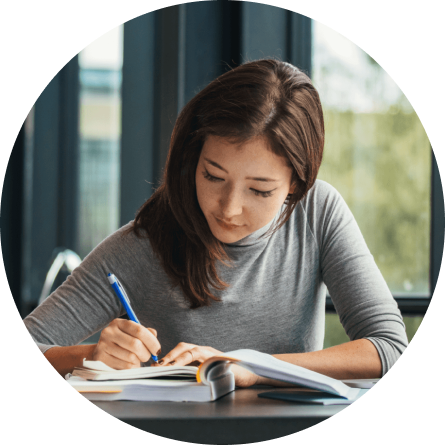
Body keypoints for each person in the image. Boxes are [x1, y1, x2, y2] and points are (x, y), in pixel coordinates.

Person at [24, 58, 409, 387]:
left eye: (259, 191)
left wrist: (252, 367)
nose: (229, 208)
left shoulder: (318, 213)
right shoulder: (143, 245)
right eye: (212, 176)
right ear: (193, 159)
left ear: (295, 183)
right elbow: (13, 352)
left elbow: (390, 349)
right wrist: (90, 354)